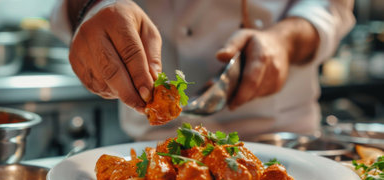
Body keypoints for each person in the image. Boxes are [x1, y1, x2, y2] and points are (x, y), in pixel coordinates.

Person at [50, 0, 355, 141]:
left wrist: (286, 40)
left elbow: (333, 5)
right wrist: (94, 7)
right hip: (153, 148)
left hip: (283, 139)